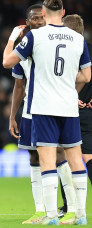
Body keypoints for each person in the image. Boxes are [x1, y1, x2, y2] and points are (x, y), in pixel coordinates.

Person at [3, 0, 91, 225]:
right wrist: (66, 86)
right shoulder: (79, 38)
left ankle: (50, 214)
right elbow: (86, 76)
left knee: (48, 160)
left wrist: (13, 38)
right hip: (69, 106)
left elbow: (6, 61)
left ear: (43, 13)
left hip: (43, 107)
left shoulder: (35, 37)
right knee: (75, 160)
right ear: (63, 12)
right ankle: (80, 214)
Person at [59, 13, 92, 217]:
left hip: (70, 110)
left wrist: (71, 97)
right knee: (87, 157)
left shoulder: (67, 49)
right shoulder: (89, 47)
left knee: (65, 156)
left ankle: (69, 206)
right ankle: (70, 207)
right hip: (89, 112)